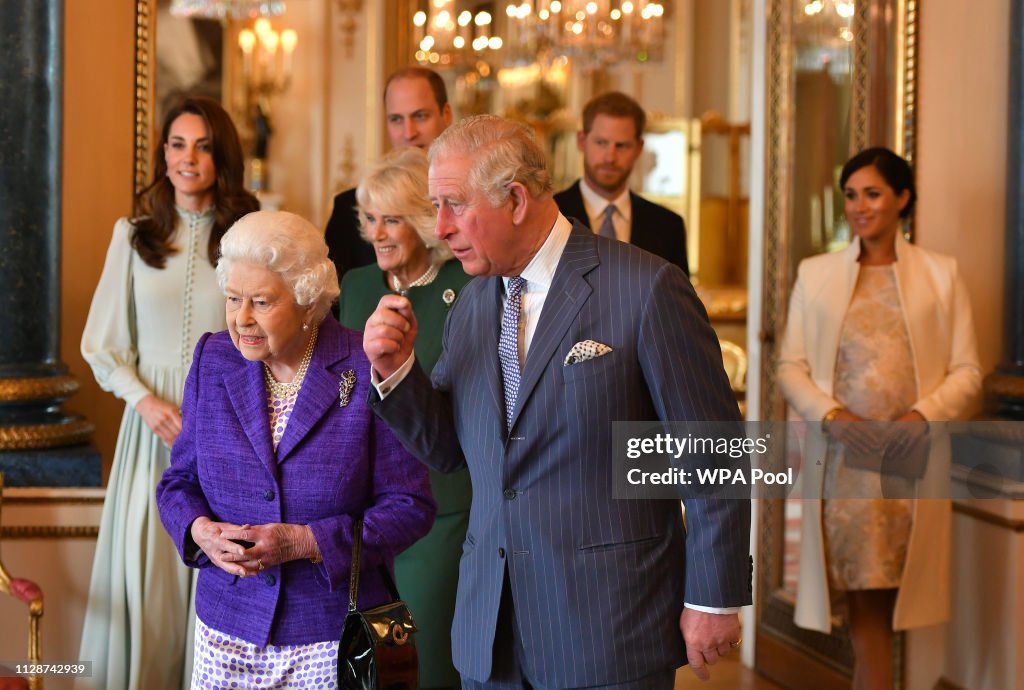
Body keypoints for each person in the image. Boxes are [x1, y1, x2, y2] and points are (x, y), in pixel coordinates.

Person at [363, 115, 751, 688]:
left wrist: (713, 598)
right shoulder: (472, 304)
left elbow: (713, 454)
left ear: (516, 199)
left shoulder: (646, 289)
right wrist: (396, 373)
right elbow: (449, 452)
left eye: (454, 205)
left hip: (608, 629)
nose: (439, 227)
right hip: (489, 632)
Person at [155, 210, 436, 687]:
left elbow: (411, 506)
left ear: (308, 302)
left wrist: (305, 543)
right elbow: (178, 482)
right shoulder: (212, 357)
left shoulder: (363, 364)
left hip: (330, 636)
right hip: (225, 628)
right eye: (233, 299)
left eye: (261, 302)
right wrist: (199, 530)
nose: (241, 319)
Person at [778, 147, 982, 689]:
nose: (859, 207)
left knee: (902, 594)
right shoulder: (816, 274)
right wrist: (835, 416)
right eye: (851, 195)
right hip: (847, 467)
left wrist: (921, 416)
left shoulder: (941, 275)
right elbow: (790, 368)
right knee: (865, 599)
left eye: (872, 193)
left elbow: (968, 372)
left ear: (902, 198)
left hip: (912, 463)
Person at [78, 95, 260, 690]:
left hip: (228, 435)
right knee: (150, 578)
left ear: (221, 156)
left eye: (204, 146)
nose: (189, 158)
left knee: (216, 577)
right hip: (149, 432)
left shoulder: (248, 237)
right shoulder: (132, 234)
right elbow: (102, 343)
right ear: (163, 153)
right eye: (178, 144)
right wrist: (144, 401)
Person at [337, 145, 472, 689]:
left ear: (423, 219)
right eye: (370, 219)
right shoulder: (357, 286)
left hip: (442, 507)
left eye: (392, 219)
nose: (378, 233)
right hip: (364, 514)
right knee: (368, 665)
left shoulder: (468, 286)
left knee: (431, 662)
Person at [324, 66, 453, 292]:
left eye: (420, 116)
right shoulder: (348, 209)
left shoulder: (468, 203)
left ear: (447, 115)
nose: (408, 132)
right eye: (396, 119)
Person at [554, 91, 689, 274]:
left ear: (639, 148)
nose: (610, 157)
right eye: (601, 143)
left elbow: (676, 300)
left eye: (622, 146)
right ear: (581, 141)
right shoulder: (552, 214)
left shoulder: (668, 226)